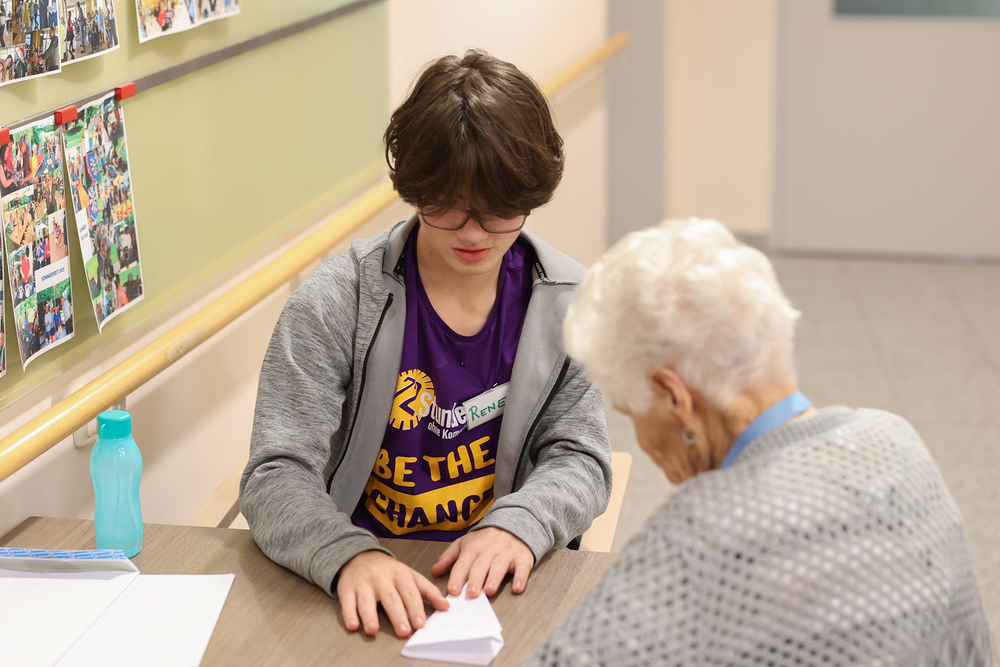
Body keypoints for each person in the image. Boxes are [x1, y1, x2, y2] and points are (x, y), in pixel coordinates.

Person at [240, 50, 612, 641]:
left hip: (495, 576)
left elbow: (582, 457)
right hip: (360, 566)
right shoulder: (336, 300)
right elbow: (276, 472)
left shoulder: (569, 304)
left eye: (498, 210)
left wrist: (519, 525)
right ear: (414, 188)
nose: (473, 232)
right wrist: (347, 555)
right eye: (447, 206)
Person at [522, 218, 994, 666]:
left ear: (674, 398)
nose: (644, 442)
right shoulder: (897, 440)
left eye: (631, 412)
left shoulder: (699, 535)